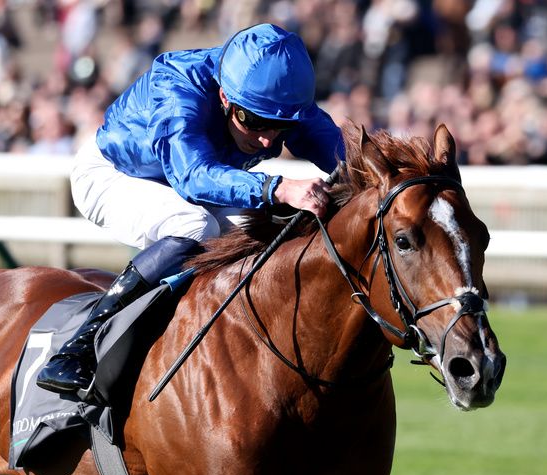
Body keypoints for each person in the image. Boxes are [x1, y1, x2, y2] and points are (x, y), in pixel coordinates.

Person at [36, 23, 345, 396]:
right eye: (254, 121)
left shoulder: (276, 100)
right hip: (113, 174)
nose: (266, 138)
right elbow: (193, 177)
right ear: (226, 98)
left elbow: (348, 156)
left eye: (280, 126)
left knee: (278, 227)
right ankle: (79, 349)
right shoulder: (178, 85)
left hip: (192, 187)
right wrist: (276, 186)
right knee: (195, 225)